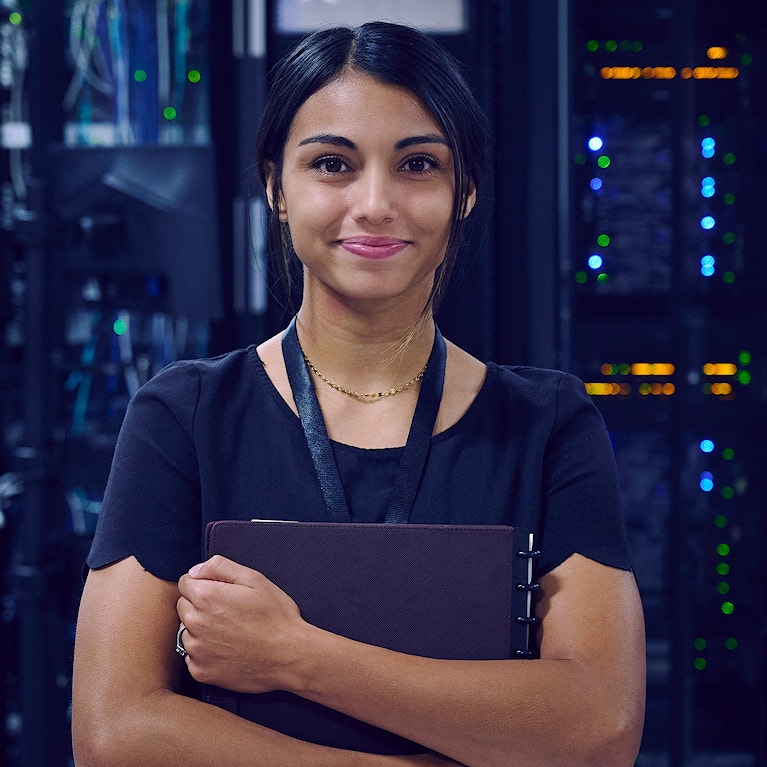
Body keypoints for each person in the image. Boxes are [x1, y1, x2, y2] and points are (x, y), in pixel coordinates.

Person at [71, 21, 646, 767]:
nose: (375, 203)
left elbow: (597, 729)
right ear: (276, 186)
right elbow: (113, 734)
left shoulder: (547, 426)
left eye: (416, 164)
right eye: (333, 164)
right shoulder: (182, 416)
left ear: (464, 190)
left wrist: (294, 654)